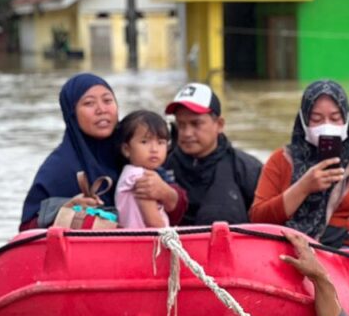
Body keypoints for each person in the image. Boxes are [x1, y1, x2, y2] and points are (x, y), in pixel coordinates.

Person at [252, 80, 349, 256]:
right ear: (304, 120)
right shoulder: (282, 160)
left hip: (347, 253)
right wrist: (303, 187)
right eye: (316, 119)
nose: (326, 125)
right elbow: (258, 218)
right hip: (291, 249)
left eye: (335, 118)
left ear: (346, 118)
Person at [21, 73, 186, 231]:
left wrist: (166, 193)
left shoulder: (135, 149)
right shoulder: (59, 167)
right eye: (89, 103)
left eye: (107, 100)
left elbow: (178, 211)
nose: (101, 109)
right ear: (72, 114)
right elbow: (27, 228)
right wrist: (65, 209)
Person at [165, 82, 262, 226]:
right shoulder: (162, 167)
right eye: (181, 124)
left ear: (220, 124)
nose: (187, 133)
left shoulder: (248, 170)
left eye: (196, 124)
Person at [114, 110, 174, 229]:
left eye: (160, 142)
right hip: (147, 238)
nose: (154, 149)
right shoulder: (140, 176)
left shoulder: (129, 172)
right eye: (144, 142)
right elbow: (154, 222)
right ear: (126, 149)